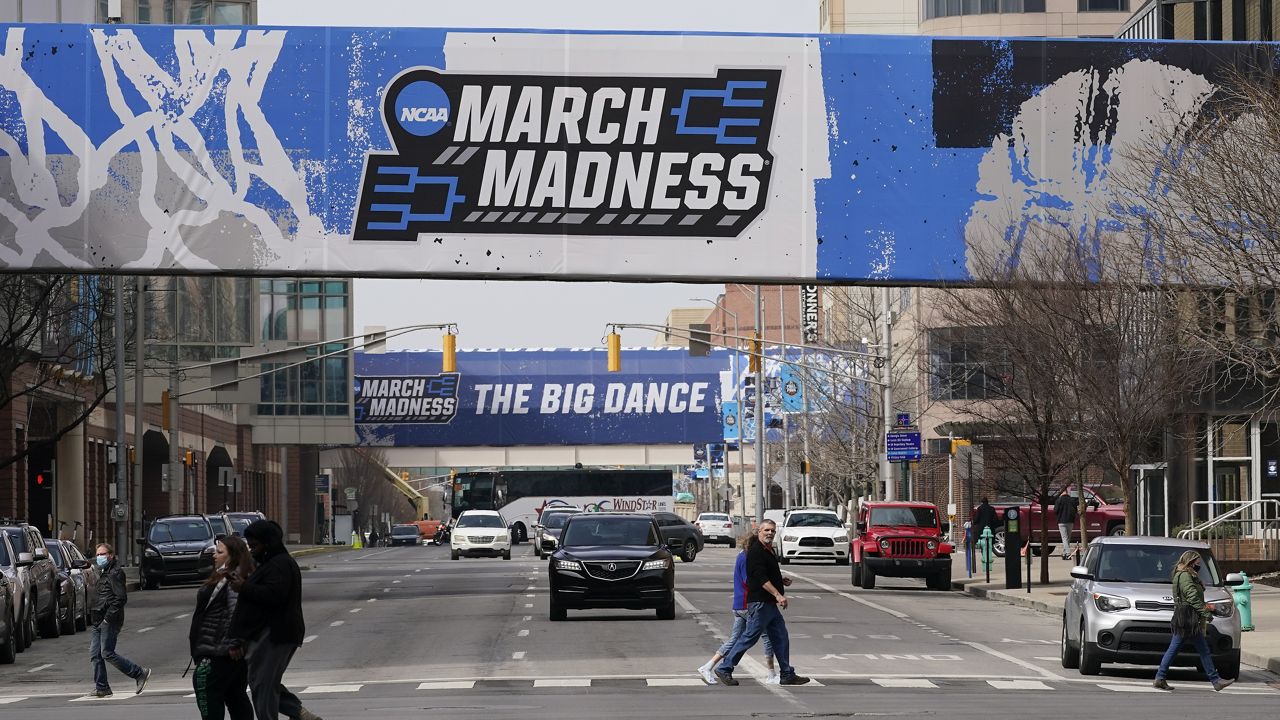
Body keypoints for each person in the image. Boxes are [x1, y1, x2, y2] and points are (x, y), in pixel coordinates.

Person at [228, 520, 323, 720]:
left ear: (268, 543)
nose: (252, 550)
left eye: (255, 545)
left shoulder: (280, 564)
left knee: (263, 685)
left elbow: (274, 595)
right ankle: (299, 713)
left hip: (275, 634)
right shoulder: (269, 564)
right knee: (262, 683)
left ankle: (289, 714)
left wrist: (244, 587)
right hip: (267, 634)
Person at [713, 520, 809, 687]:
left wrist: (780, 580)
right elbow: (760, 578)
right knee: (749, 637)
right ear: (759, 531)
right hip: (760, 603)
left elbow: (767, 573)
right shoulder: (756, 551)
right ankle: (725, 667)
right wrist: (778, 595)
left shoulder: (767, 550)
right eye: (766, 530)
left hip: (769, 604)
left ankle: (786, 673)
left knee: (781, 637)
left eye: (772, 530)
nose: (770, 533)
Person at [697, 532, 778, 685]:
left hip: (739, 604)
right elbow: (751, 581)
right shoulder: (748, 558)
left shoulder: (742, 555)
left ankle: (708, 666)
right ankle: (771, 673)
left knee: (735, 639)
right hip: (748, 604)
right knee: (768, 637)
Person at [190, 535, 255, 719]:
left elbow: (237, 611)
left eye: (219, 552)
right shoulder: (226, 575)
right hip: (221, 652)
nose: (214, 555)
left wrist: (235, 642)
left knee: (211, 697)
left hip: (219, 653)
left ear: (233, 556)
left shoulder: (233, 578)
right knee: (236, 698)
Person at [1153, 550, 1234, 692]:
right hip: (1187, 618)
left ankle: (1161, 677)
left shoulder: (1188, 575)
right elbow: (1192, 597)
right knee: (1189, 649)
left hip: (1188, 617)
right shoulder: (1185, 576)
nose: (1199, 565)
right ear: (1190, 562)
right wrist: (1205, 612)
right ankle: (1215, 680)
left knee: (1195, 649)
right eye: (1197, 562)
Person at [87, 543, 152, 698]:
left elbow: (120, 598)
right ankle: (102, 687)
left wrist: (108, 619)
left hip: (109, 620)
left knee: (107, 653)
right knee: (95, 654)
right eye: (98, 554)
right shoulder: (105, 572)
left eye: (102, 554)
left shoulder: (115, 573)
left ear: (111, 555)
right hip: (99, 620)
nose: (99, 557)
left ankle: (139, 673)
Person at [1054, 491, 1079, 560]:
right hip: (1070, 521)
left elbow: (1055, 510)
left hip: (1061, 521)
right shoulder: (1072, 500)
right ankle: (1065, 553)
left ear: (1061, 493)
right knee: (1068, 538)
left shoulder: (1059, 500)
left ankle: (1067, 553)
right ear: (1067, 493)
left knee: (1064, 538)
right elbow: (1076, 509)